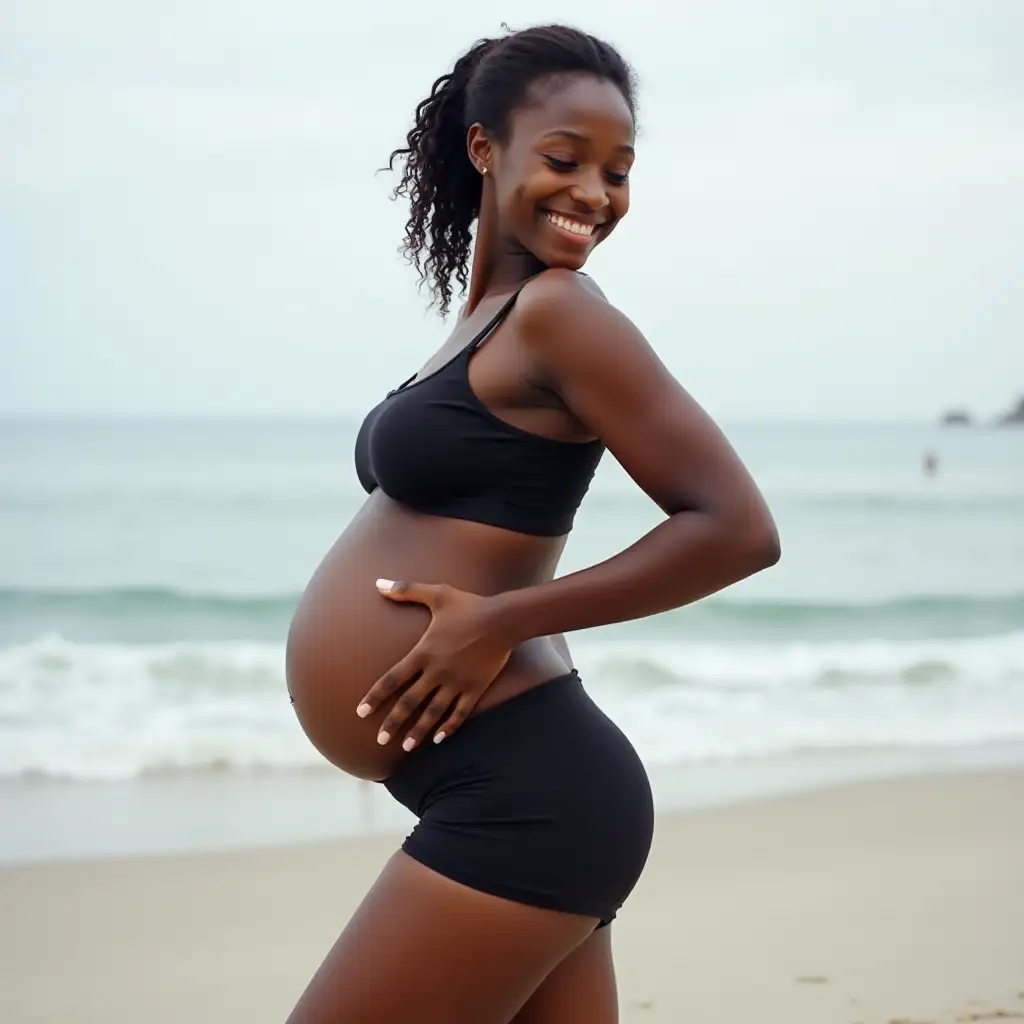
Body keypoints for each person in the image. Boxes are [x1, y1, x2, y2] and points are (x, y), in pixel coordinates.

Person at [284, 24, 780, 1023]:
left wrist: (501, 621)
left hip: (525, 795)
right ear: (484, 149)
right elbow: (507, 529)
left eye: (618, 171)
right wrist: (505, 613)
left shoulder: (562, 313)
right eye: (564, 159)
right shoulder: (491, 319)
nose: (594, 193)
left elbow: (734, 527)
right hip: (514, 788)